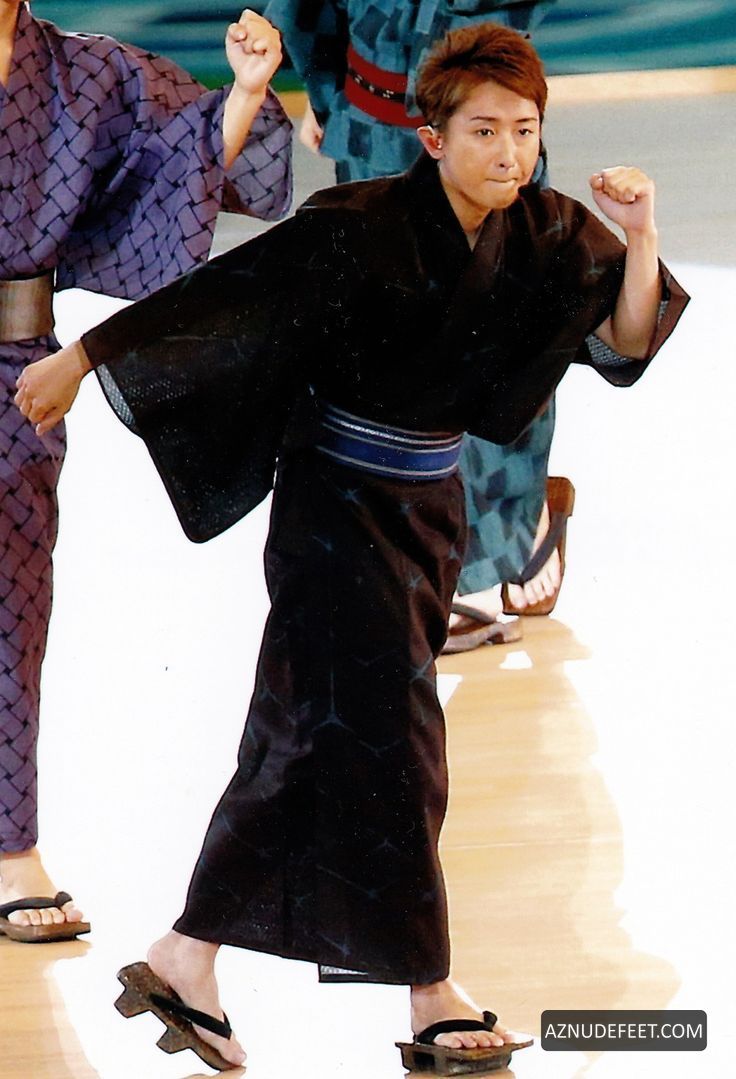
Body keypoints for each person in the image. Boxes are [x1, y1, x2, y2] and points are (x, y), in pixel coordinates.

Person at [15, 21, 688, 1073]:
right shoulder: (359, 221)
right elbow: (226, 292)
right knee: (401, 742)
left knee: (298, 738)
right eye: (484, 131)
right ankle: (430, 990)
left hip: (429, 511)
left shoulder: (549, 230)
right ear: (431, 138)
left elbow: (629, 336)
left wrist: (640, 235)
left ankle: (187, 956)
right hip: (333, 508)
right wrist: (84, 358)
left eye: (525, 131)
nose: (509, 152)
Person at [0, 1, 291, 943]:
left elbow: (186, 152)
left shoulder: (86, 73)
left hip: (13, 374)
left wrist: (244, 93)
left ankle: (9, 847)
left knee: (10, 612)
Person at [263, 0, 563, 649]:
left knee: (497, 327)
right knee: (385, 338)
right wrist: (325, 88)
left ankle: (511, 523)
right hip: (373, 123)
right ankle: (416, 548)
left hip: (485, 125)